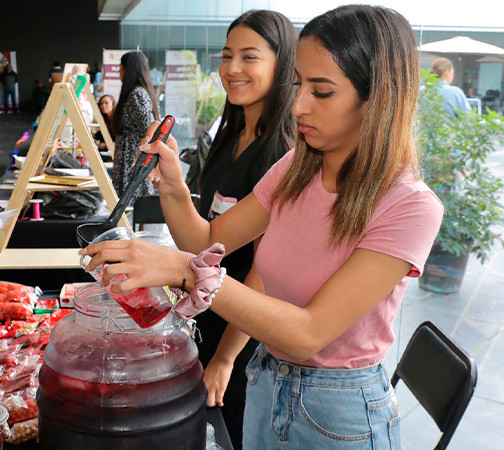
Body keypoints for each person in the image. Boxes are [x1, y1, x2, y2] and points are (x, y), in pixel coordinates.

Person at [81, 5, 443, 448]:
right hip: (267, 378)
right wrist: (174, 185)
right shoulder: (296, 168)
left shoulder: (409, 206)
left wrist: (185, 271)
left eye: (322, 91)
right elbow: (210, 240)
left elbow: (308, 332)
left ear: (378, 99)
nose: (298, 105)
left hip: (339, 411)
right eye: (299, 84)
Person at [193, 10, 297, 449]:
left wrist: (225, 357)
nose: (232, 69)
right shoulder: (231, 133)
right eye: (227, 56)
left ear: (283, 65)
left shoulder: (281, 152)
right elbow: (207, 235)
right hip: (210, 313)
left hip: (244, 338)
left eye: (249, 57)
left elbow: (265, 273)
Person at [112, 50, 160, 206]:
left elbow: (149, 127)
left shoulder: (136, 94)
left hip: (132, 159)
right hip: (130, 157)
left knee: (131, 209)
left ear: (129, 69)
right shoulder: (138, 93)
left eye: (121, 68)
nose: (119, 72)